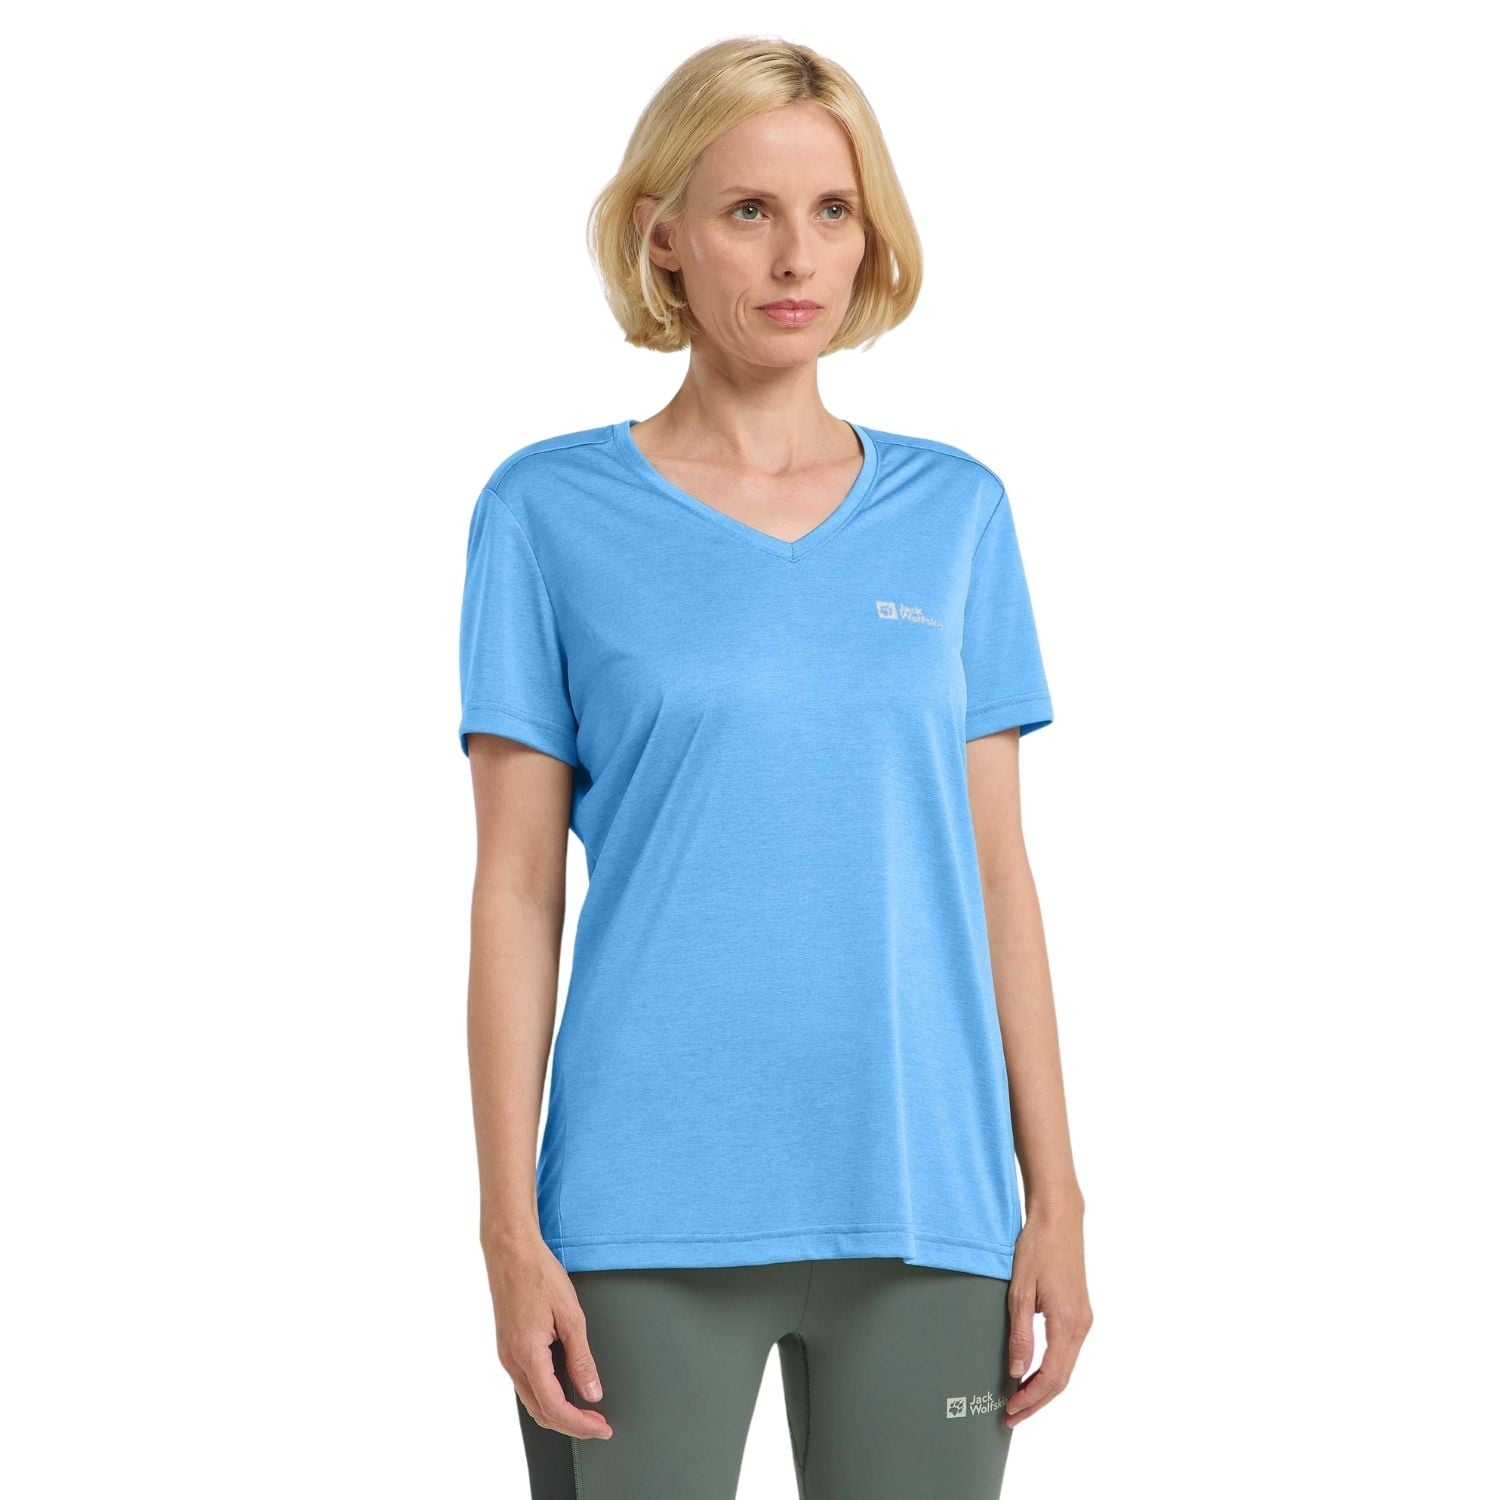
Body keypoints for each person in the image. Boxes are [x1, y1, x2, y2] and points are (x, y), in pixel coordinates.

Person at [459, 35, 1092, 1500]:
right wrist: (506, 1230)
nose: (796, 254)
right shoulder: (545, 512)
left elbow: (997, 877)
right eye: (748, 209)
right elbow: (514, 892)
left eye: (833, 210)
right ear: (662, 236)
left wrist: (1056, 1197)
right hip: (638, 1213)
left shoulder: (957, 513)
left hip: (928, 1200)